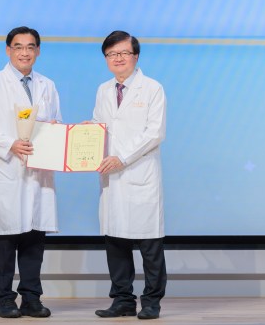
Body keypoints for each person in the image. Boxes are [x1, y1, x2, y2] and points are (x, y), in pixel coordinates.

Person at [0, 27, 61, 319]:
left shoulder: (47, 85)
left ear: (38, 51)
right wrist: (10, 144)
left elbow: (56, 123)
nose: (25, 52)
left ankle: (32, 298)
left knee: (34, 239)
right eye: (18, 46)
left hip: (38, 172)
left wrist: (60, 134)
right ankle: (5, 299)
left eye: (30, 47)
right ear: (8, 50)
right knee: (7, 240)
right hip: (8, 170)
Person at [92, 31, 167, 320]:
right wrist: (86, 134)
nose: (118, 58)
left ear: (135, 56)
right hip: (112, 178)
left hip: (139, 174)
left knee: (150, 245)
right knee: (115, 242)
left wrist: (122, 158)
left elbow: (154, 133)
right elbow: (100, 124)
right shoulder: (103, 90)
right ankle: (122, 300)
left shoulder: (152, 88)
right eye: (112, 54)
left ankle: (151, 302)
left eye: (124, 53)